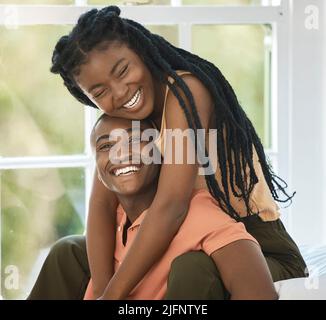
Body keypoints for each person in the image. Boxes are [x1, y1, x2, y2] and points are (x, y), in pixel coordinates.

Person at [31, 5, 307, 299]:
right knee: (68, 254)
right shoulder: (127, 113)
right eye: (99, 92)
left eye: (122, 70)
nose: (120, 91)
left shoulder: (186, 93)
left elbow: (171, 207)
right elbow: (102, 205)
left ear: (140, 50)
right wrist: (101, 288)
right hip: (179, 239)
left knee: (191, 268)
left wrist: (112, 297)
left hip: (250, 245)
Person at [84, 114, 277, 300]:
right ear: (98, 173)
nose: (120, 153)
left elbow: (259, 291)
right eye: (106, 145)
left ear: (161, 154)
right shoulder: (108, 226)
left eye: (135, 139)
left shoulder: (197, 212)